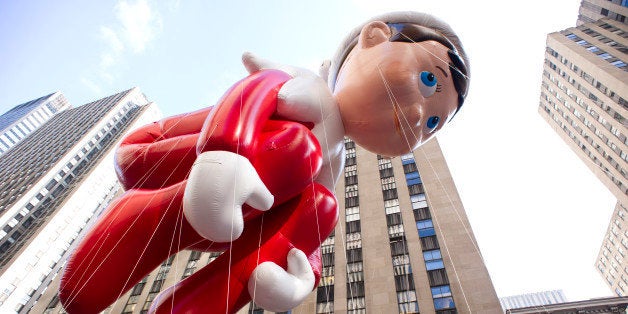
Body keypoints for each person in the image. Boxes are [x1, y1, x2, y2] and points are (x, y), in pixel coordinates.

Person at [59, 11, 469, 314]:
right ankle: (148, 216)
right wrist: (225, 152)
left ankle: (198, 302)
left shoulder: (329, 168)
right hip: (157, 157)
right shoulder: (298, 85)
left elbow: (307, 234)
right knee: (297, 146)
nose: (419, 118)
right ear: (375, 37)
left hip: (235, 220)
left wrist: (303, 273)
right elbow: (250, 96)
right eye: (428, 79)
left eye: (434, 122)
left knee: (323, 207)